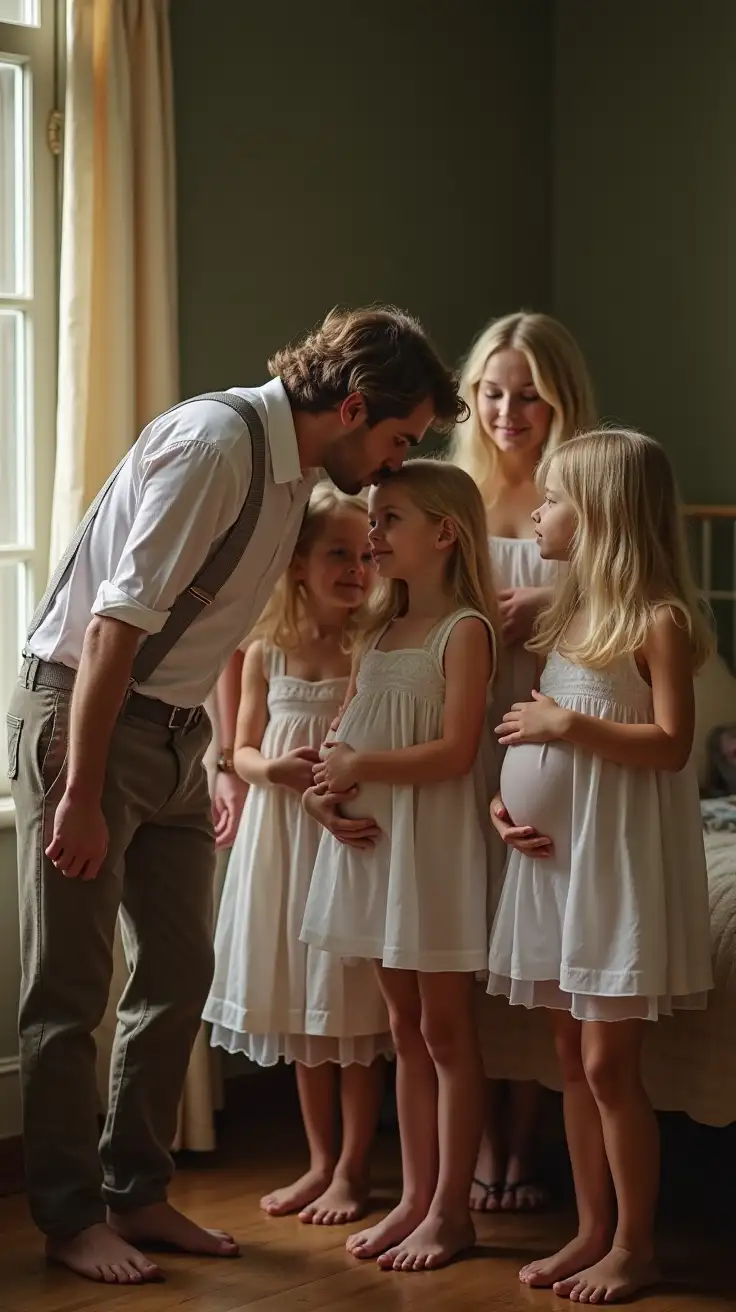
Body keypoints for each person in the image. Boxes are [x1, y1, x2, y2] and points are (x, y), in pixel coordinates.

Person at [6, 306, 466, 1285]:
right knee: (70, 990)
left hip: (176, 734)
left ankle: (136, 1189)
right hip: (89, 718)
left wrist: (226, 756)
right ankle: (67, 1214)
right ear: (349, 407)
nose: (393, 465)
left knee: (178, 970)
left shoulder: (294, 472)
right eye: (397, 439)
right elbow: (111, 633)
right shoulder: (218, 445)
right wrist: (80, 789)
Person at [488, 430, 714, 1303]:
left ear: (603, 515)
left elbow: (669, 746)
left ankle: (635, 1245)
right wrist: (509, 806)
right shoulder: (568, 614)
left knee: (611, 1066)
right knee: (569, 1058)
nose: (537, 513)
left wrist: (563, 731)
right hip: (556, 865)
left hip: (614, 868)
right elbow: (543, 748)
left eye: (552, 500)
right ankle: (589, 1228)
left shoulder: (656, 620)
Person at [301, 460, 499, 1272]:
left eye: (388, 522)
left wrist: (361, 767)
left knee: (446, 1033)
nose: (371, 537)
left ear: (443, 534)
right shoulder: (376, 632)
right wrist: (322, 796)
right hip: (377, 848)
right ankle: (416, 1198)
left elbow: (454, 753)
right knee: (403, 1031)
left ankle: (453, 1211)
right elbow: (341, 742)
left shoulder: (465, 632)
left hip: (433, 852)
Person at [203, 484, 393, 1228]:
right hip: (280, 838)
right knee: (305, 1014)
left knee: (350, 1011)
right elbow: (242, 747)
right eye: (336, 554)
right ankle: (318, 1161)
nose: (354, 568)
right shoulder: (266, 648)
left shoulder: (373, 644)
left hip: (342, 835)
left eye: (364, 555)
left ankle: (354, 1168)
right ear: (299, 566)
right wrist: (266, 773)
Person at [451, 310, 596, 1215]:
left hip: (547, 719)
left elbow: (634, 593)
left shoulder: (583, 490)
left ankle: (527, 1134)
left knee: (535, 932)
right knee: (470, 935)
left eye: (529, 397)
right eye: (493, 393)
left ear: (559, 401)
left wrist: (552, 593)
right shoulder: (452, 487)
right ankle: (483, 1140)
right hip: (464, 728)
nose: (509, 412)